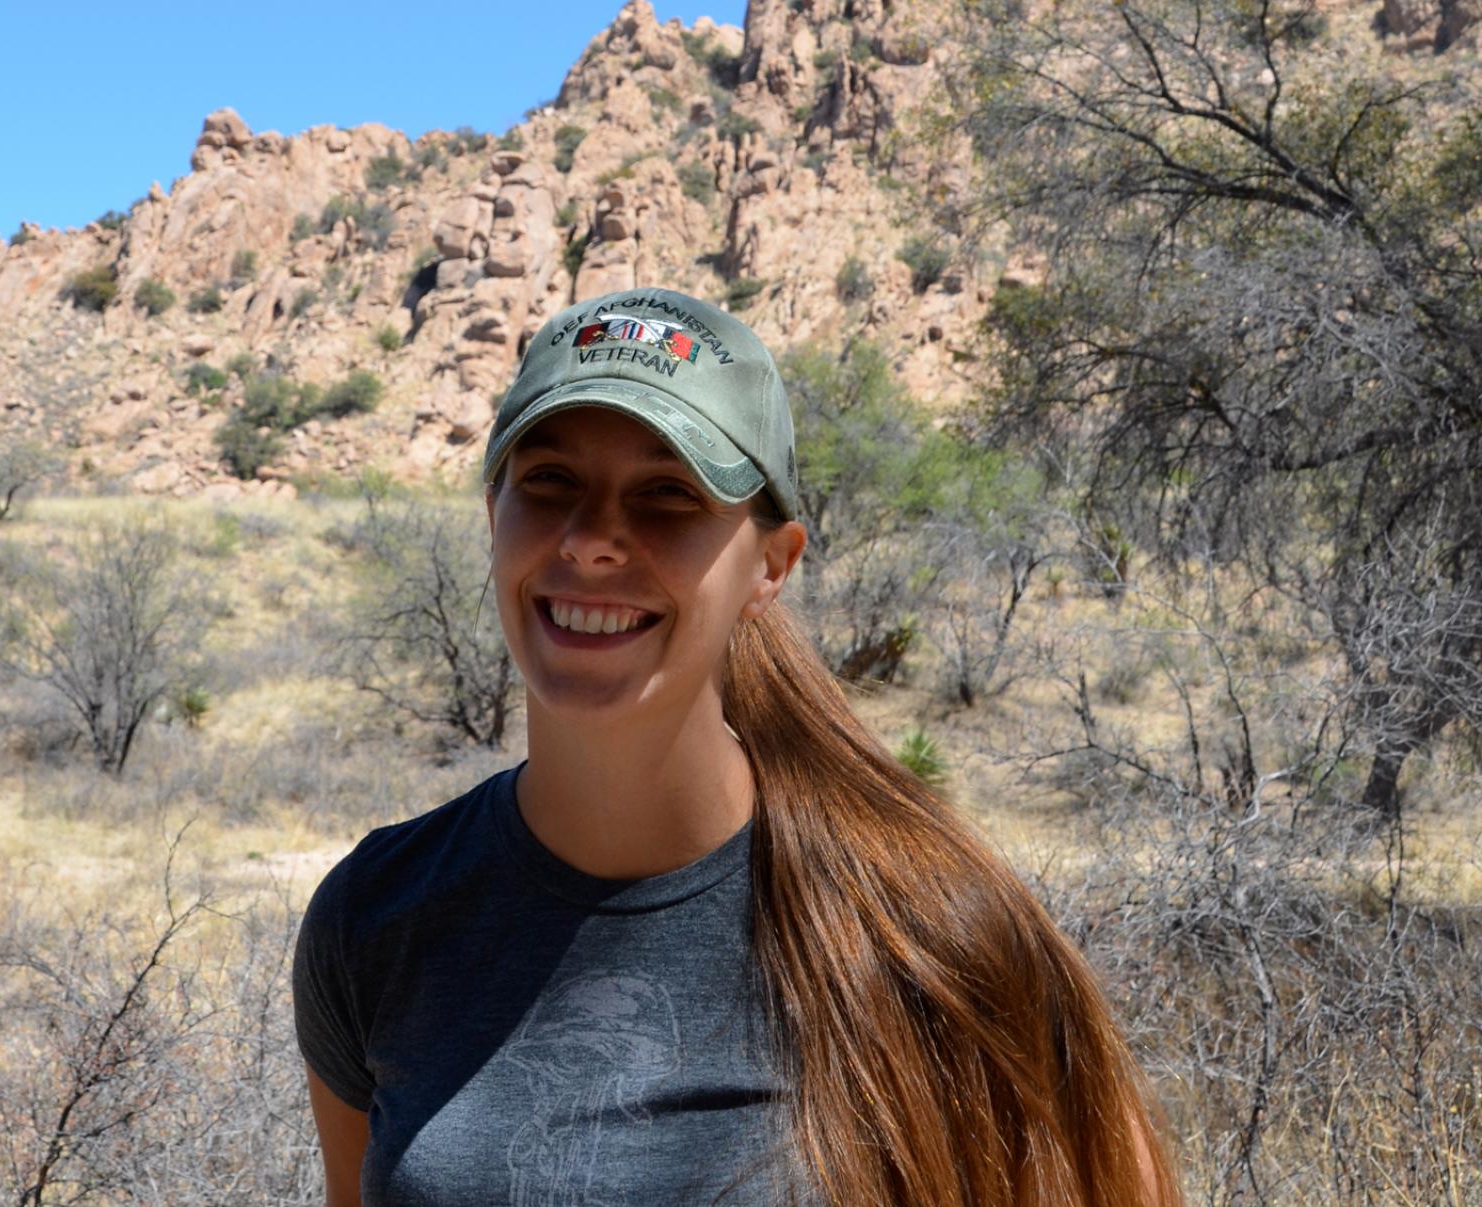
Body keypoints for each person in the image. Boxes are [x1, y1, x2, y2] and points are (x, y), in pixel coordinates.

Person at [293, 287, 1181, 1205]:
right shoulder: (377, 917)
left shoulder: (928, 937)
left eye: (670, 494)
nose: (593, 539)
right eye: (549, 481)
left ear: (773, 564)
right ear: (494, 516)